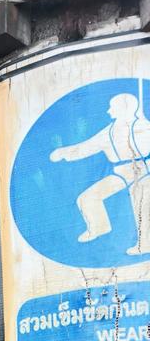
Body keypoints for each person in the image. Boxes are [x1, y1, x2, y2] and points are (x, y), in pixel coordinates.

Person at [50, 91, 150, 255]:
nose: (108, 111)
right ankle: (99, 227)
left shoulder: (144, 126)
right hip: (122, 172)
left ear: (124, 109)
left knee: (142, 205)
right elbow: (86, 147)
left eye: (112, 107)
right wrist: (63, 153)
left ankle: (145, 243)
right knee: (87, 198)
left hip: (145, 171)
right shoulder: (109, 131)